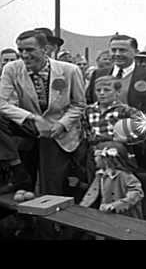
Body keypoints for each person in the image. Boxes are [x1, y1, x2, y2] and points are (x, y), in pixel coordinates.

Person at [86, 34, 146, 221]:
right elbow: (88, 106)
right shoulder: (98, 74)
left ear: (135, 52)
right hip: (104, 149)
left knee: (142, 195)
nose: (117, 54)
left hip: (142, 149)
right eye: (113, 50)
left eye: (122, 50)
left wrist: (136, 134)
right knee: (107, 193)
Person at [0, 29, 85, 195]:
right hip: (28, 128)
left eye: (30, 50)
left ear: (45, 49)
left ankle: (53, 219)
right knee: (25, 187)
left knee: (52, 185)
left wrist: (62, 124)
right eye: (20, 50)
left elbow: (79, 104)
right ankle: (24, 216)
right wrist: (32, 118)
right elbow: (1, 102)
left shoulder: (70, 70)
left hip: (58, 131)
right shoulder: (11, 68)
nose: (24, 55)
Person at [79, 141, 144, 219]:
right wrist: (82, 207)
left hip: (125, 217)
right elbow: (92, 193)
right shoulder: (100, 174)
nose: (94, 159)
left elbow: (137, 193)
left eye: (96, 156)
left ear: (106, 159)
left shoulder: (125, 176)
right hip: (107, 215)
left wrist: (115, 205)